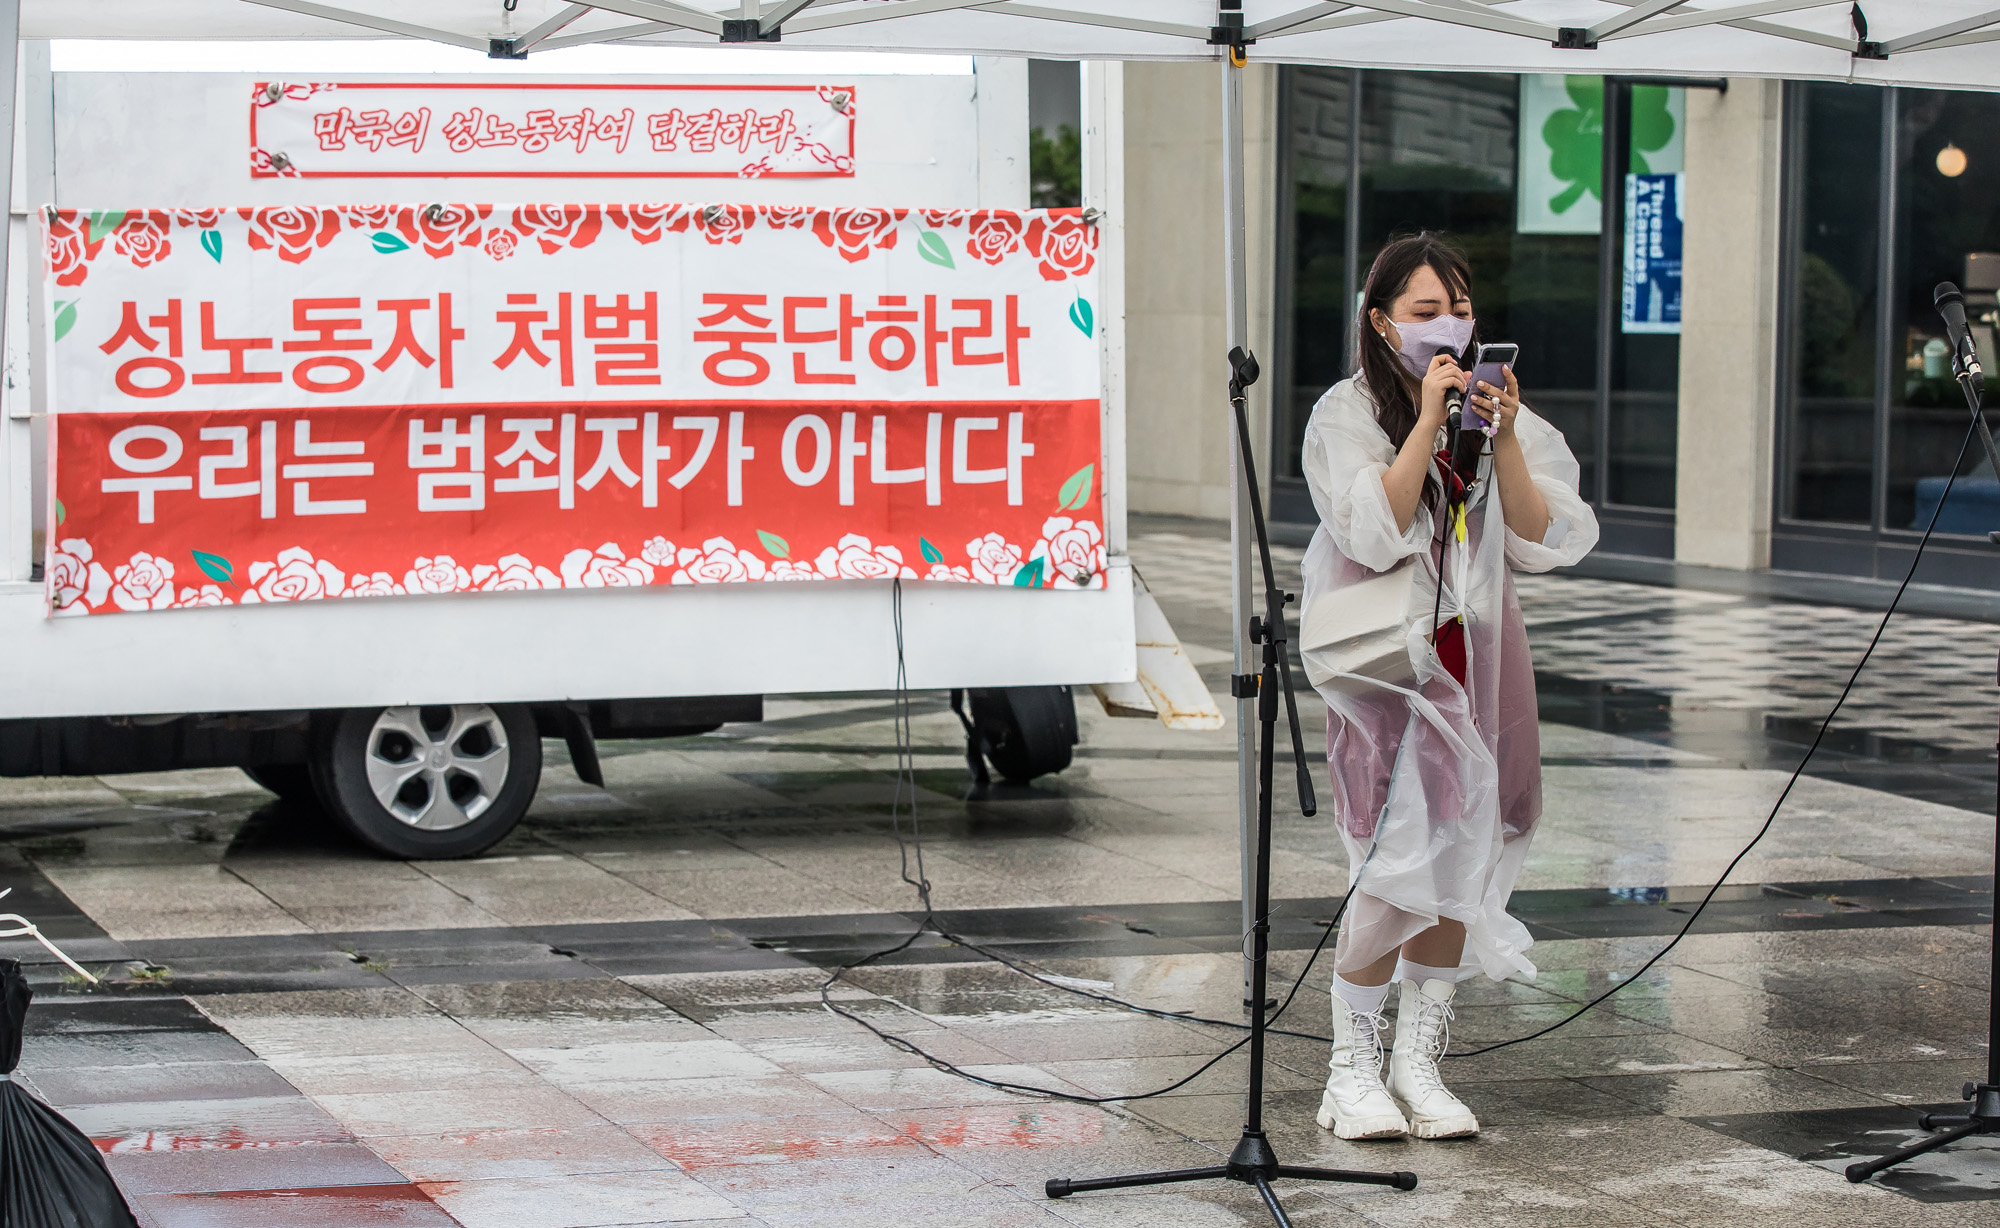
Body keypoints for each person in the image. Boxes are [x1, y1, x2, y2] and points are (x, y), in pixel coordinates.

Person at [1298, 232, 1598, 1141]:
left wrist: (1499, 434)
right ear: (1380, 321)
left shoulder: (1503, 412)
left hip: (1482, 658)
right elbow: (1371, 529)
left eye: (1459, 310)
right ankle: (1349, 1072)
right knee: (1392, 869)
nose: (1448, 328)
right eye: (1426, 312)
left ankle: (1418, 1065)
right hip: (1391, 672)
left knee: (1461, 865)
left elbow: (1545, 537)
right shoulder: (1345, 414)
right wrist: (1427, 422)